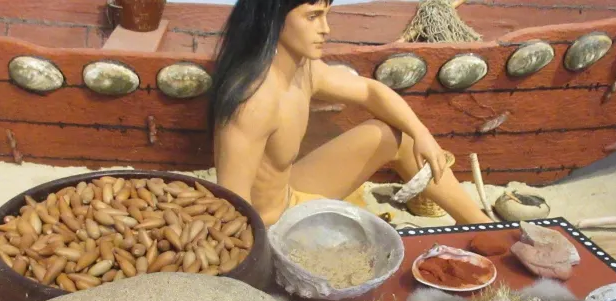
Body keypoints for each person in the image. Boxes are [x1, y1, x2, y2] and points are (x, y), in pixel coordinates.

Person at [209, 0, 493, 226]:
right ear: (273, 19)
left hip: (288, 194)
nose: (326, 29)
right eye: (313, 16)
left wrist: (423, 134)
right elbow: (232, 206)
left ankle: (480, 225)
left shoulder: (303, 70)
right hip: (268, 229)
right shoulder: (254, 102)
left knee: (398, 136)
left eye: (326, 15)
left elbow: (371, 91)